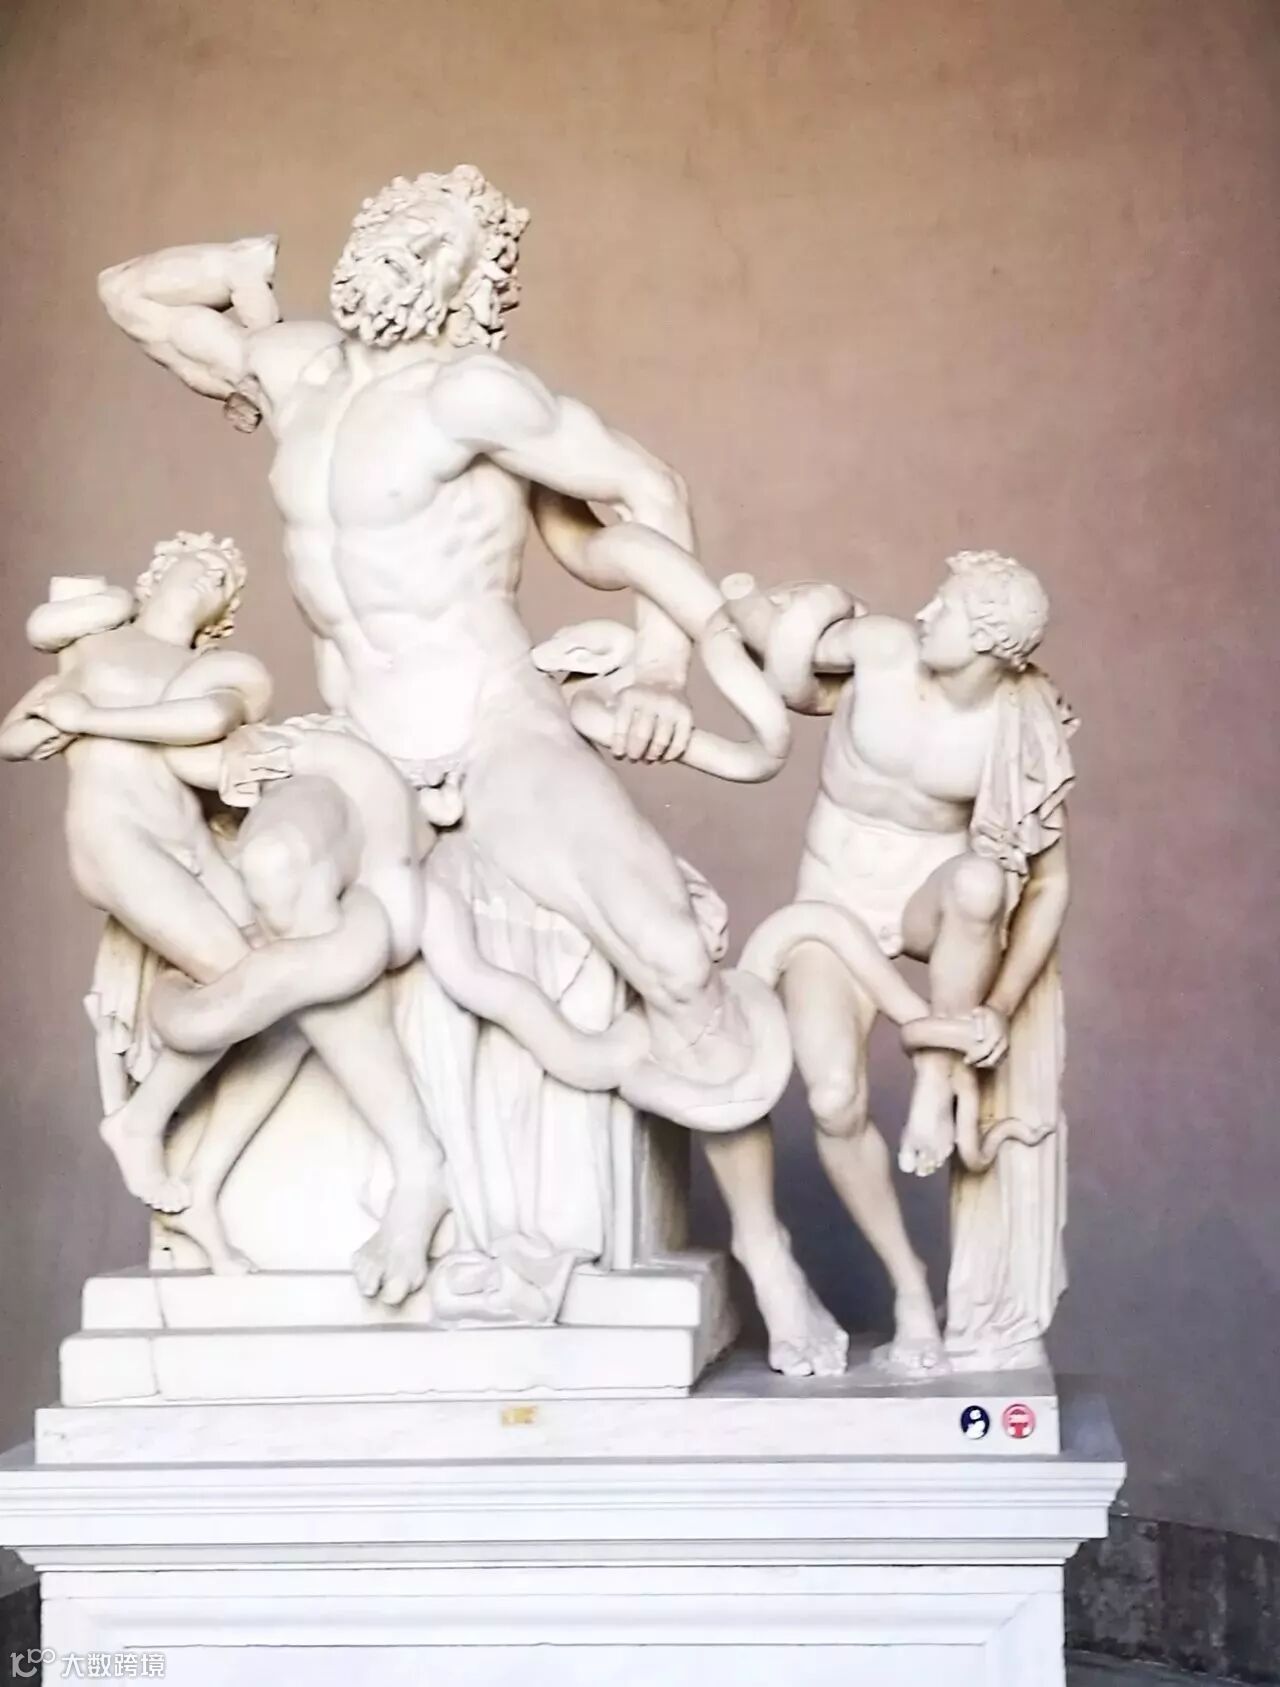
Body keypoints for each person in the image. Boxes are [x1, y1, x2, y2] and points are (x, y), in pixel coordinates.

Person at [97, 165, 846, 1375]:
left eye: (426, 241)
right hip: (361, 743)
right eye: (383, 228)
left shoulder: (473, 393)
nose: (392, 253)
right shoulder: (294, 370)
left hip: (494, 724)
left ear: (469, 280)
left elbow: (646, 489)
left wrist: (660, 673)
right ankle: (416, 1165)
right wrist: (235, 268)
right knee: (280, 871)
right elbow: (131, 294)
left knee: (667, 948)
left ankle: (765, 1251)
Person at [725, 551, 1074, 1374]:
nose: (924, 613)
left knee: (984, 880)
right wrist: (751, 603)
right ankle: (911, 1288)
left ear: (988, 639)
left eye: (944, 608)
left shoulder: (1020, 725)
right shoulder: (882, 647)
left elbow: (1049, 885)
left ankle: (935, 1077)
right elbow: (777, 644)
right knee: (834, 1097)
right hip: (831, 903)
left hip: (928, 904)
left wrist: (997, 1007)